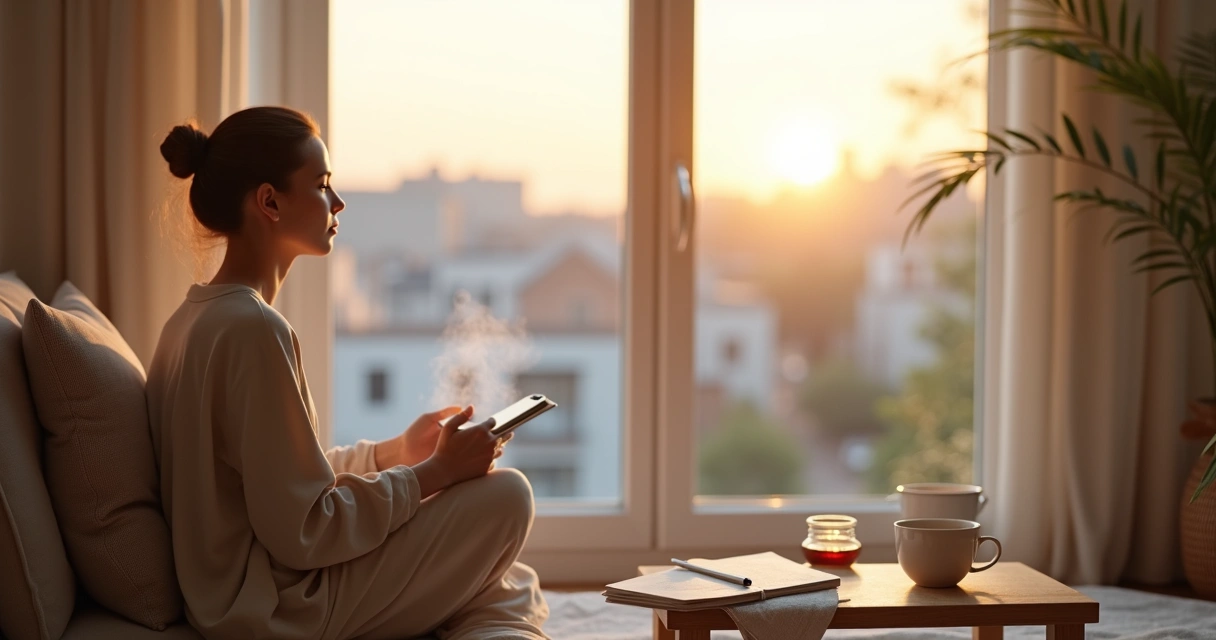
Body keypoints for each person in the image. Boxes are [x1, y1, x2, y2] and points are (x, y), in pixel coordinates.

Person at [146, 105, 550, 640]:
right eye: (321, 184)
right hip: (277, 609)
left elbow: (277, 487)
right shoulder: (252, 329)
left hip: (249, 593)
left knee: (502, 570)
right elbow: (306, 529)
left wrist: (395, 453)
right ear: (269, 201)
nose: (338, 202)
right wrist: (435, 474)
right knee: (507, 500)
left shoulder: (193, 318)